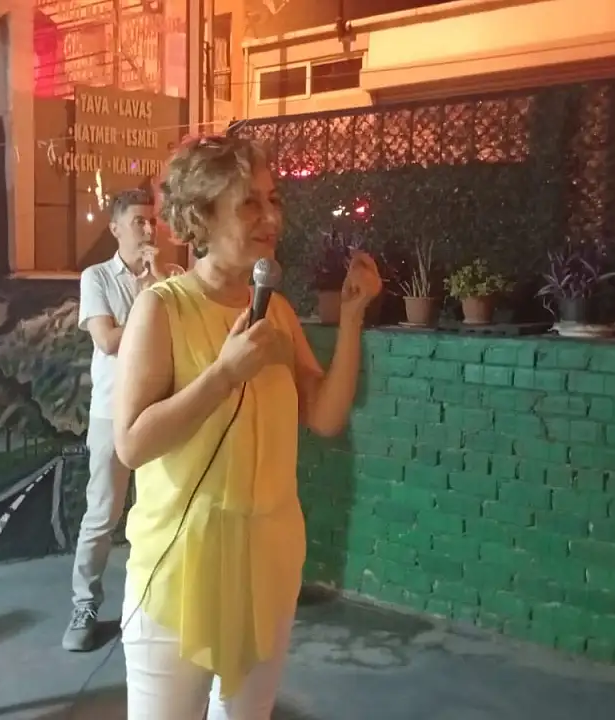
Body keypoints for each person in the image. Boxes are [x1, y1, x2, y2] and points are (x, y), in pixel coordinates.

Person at [112, 135, 381, 719]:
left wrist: (353, 317)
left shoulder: (276, 311)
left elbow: (325, 415)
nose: (271, 217)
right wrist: (222, 375)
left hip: (268, 560)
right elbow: (131, 443)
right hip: (181, 566)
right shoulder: (161, 308)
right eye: (250, 203)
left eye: (273, 199)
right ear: (203, 217)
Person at [64, 187, 160, 652]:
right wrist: (149, 297)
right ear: (115, 228)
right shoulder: (97, 277)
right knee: (102, 513)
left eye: (152, 220)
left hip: (159, 409)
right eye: (139, 221)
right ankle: (84, 605)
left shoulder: (170, 277)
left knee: (162, 510)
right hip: (111, 411)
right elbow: (106, 340)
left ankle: (155, 605)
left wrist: (161, 284)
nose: (148, 229)